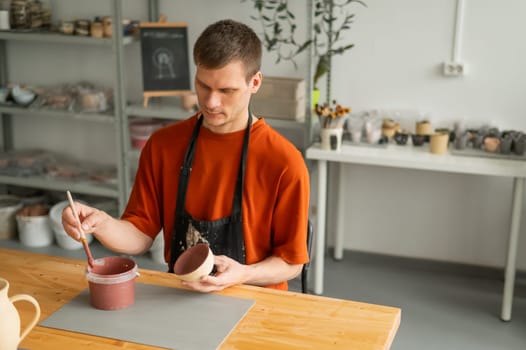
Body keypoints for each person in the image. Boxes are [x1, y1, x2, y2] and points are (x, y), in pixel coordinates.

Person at [62, 19, 310, 292]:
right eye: (203, 86)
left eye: (226, 91)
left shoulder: (284, 162)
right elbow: (140, 235)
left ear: (255, 82)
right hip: (180, 293)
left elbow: (291, 262)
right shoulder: (163, 145)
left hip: (256, 302)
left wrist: (242, 274)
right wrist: (101, 223)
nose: (211, 102)